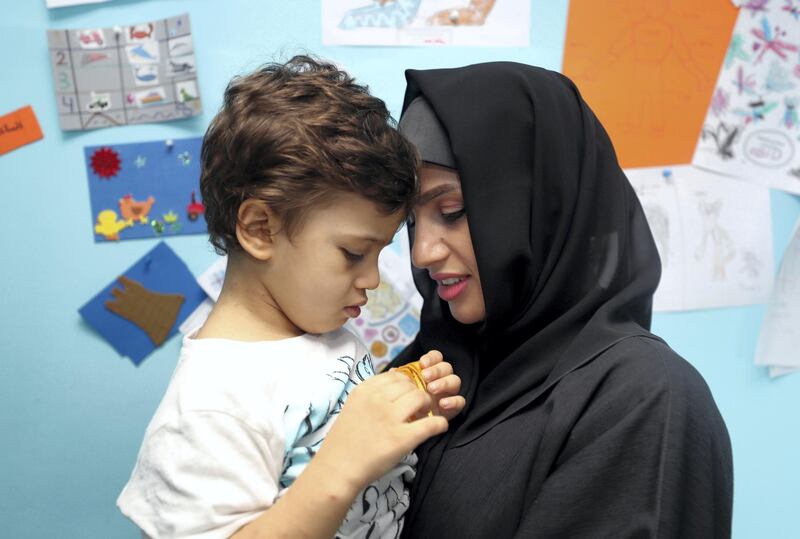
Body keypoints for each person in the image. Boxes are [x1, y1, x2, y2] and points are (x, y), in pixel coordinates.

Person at [117, 56, 465, 539]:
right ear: (261, 229)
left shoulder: (321, 335)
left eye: (380, 254)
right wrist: (343, 465)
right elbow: (330, 467)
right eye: (353, 253)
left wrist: (404, 422)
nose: (372, 280)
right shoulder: (208, 405)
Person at [389, 62, 733, 538]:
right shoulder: (424, 372)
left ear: (542, 204)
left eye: (452, 211)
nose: (422, 252)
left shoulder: (643, 398)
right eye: (410, 221)